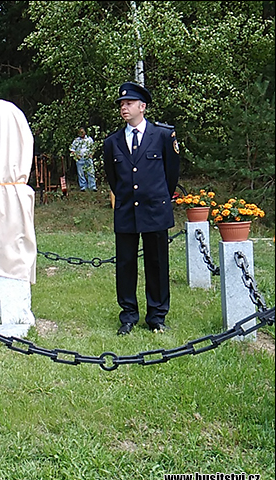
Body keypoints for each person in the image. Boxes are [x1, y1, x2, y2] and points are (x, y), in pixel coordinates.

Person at [103, 82, 180, 336]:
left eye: (129, 104)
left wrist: (158, 197)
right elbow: (113, 178)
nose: (124, 108)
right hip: (126, 210)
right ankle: (128, 315)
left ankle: (156, 316)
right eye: (122, 105)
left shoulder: (162, 136)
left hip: (155, 209)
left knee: (157, 263)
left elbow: (171, 174)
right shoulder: (112, 142)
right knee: (125, 264)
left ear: (142, 107)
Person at [69, 127, 96, 192]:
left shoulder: (89, 139)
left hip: (88, 158)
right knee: (81, 173)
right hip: (80, 158)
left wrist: (91, 154)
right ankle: (83, 187)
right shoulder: (76, 141)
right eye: (80, 133)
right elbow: (72, 149)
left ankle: (92, 187)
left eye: (82, 132)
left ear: (85, 132)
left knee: (91, 172)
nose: (81, 134)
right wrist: (76, 156)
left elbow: (93, 147)